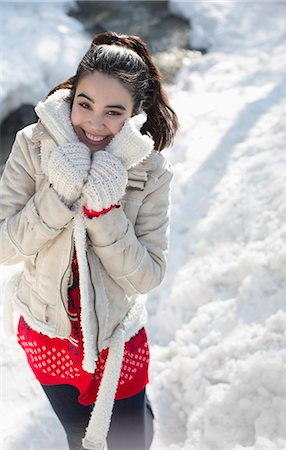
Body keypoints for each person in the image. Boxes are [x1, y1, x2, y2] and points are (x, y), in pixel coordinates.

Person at [0, 31, 178, 450]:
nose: (95, 123)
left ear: (136, 113)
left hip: (118, 336)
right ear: (72, 95)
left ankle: (141, 412)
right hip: (48, 332)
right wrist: (58, 195)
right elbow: (4, 247)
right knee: (81, 440)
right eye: (85, 104)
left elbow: (147, 275)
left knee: (132, 440)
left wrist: (104, 212)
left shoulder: (150, 170)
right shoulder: (33, 144)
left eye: (114, 112)